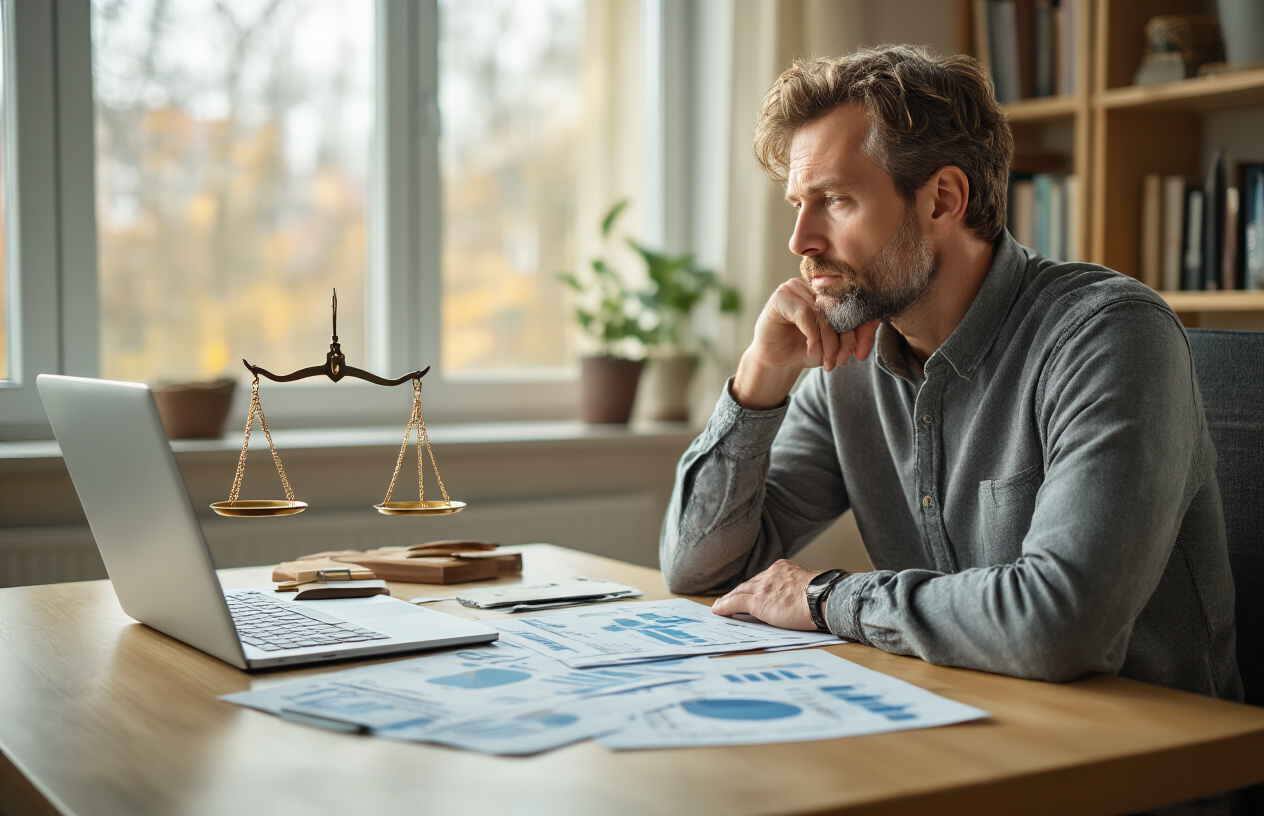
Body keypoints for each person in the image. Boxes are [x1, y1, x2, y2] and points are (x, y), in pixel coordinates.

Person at [660, 46, 1242, 705]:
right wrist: (757, 378)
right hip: (958, 723)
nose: (799, 240)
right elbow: (697, 567)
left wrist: (825, 597)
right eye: (799, 203)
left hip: (1145, 767)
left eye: (836, 201)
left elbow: (1061, 625)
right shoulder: (848, 367)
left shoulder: (1109, 335)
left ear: (942, 199)